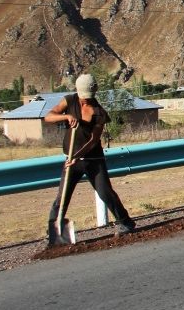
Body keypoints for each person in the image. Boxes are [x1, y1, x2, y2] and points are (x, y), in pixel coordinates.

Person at [44, 74, 136, 245]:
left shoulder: (99, 112)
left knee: (105, 193)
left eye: (89, 97)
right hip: (70, 161)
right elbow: (48, 116)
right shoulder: (69, 101)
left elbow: (93, 140)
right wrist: (66, 117)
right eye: (83, 97)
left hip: (93, 160)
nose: (85, 101)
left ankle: (126, 223)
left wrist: (77, 157)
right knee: (62, 197)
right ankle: (54, 231)